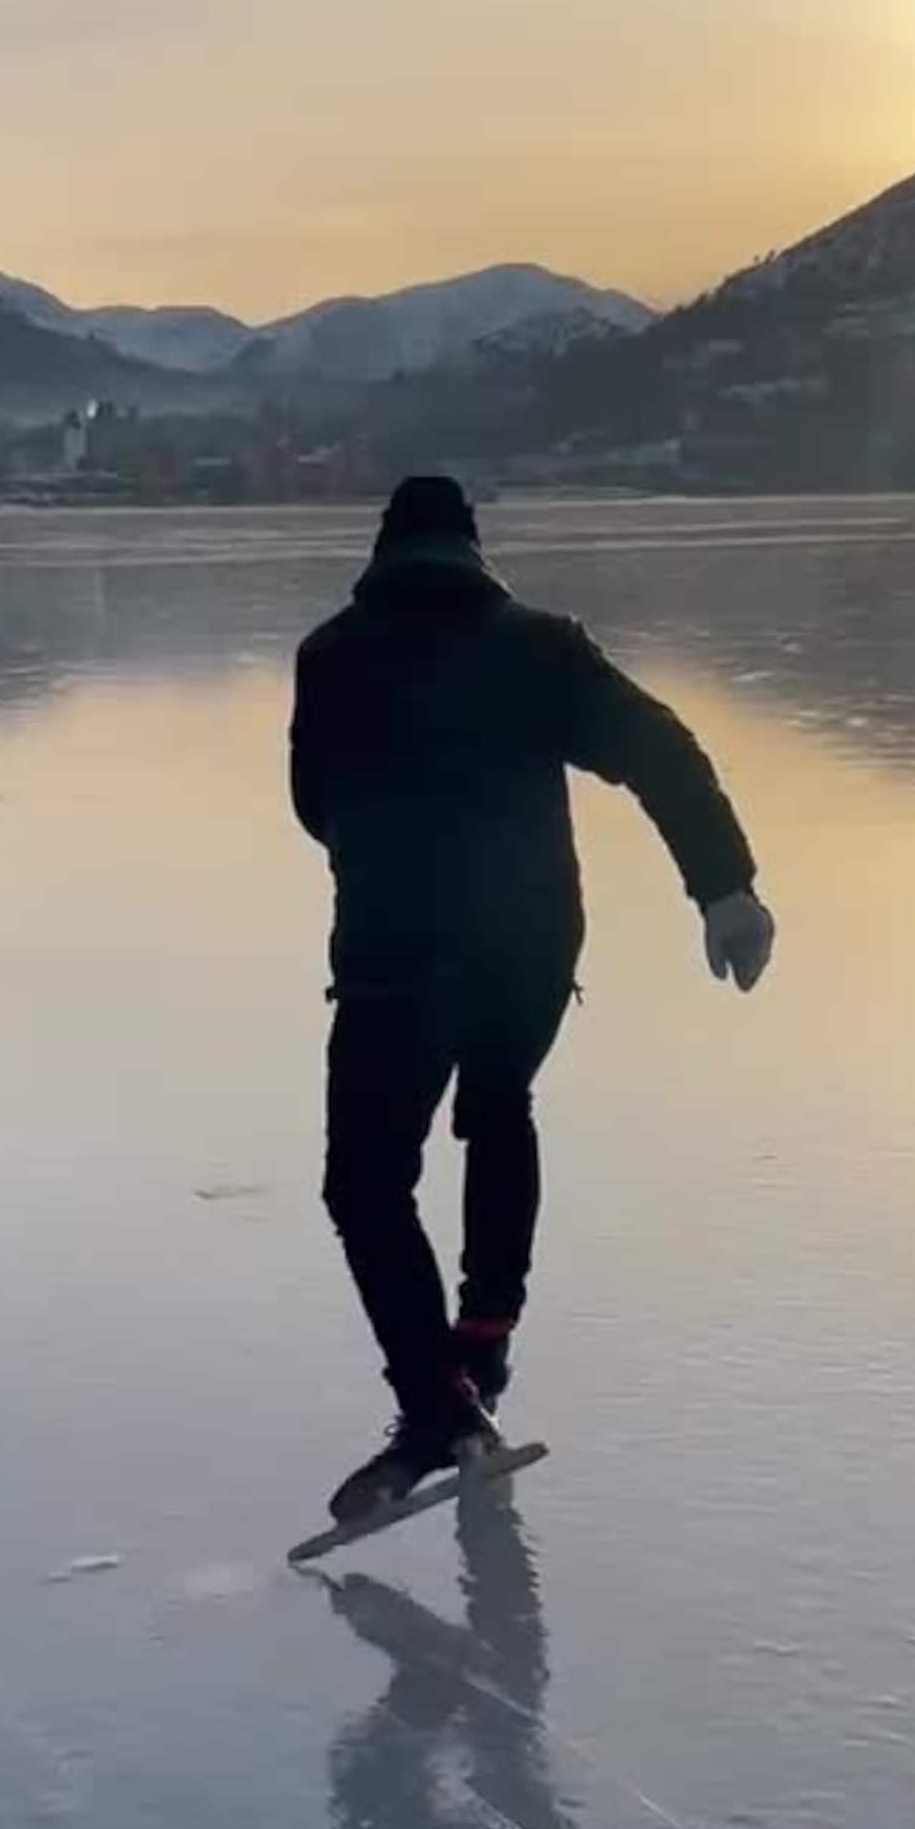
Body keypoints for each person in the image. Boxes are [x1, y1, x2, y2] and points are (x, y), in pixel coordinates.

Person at [290, 473, 774, 1526]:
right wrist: (723, 887)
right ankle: (483, 1339)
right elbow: (659, 749)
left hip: (393, 958)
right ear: (471, 549)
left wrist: (385, 842)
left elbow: (311, 806)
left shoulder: (330, 655)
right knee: (498, 1105)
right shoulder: (538, 644)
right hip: (526, 948)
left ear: (382, 554)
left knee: (366, 1185)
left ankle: (437, 1405)